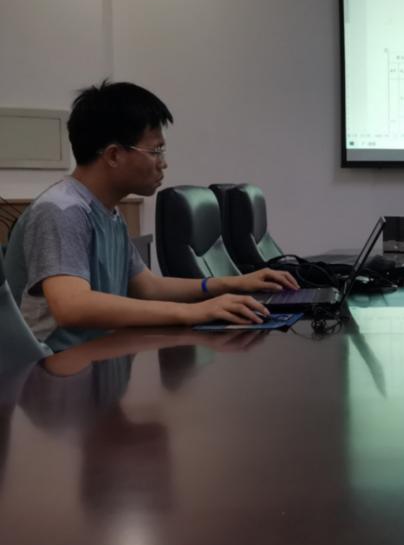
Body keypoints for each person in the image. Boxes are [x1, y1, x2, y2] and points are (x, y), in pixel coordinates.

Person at [2, 81, 299, 353]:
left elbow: (147, 287)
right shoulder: (60, 210)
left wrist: (231, 284)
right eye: (156, 150)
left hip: (90, 363)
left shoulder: (108, 213)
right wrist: (192, 312)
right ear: (114, 155)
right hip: (44, 377)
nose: (163, 163)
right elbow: (72, 306)